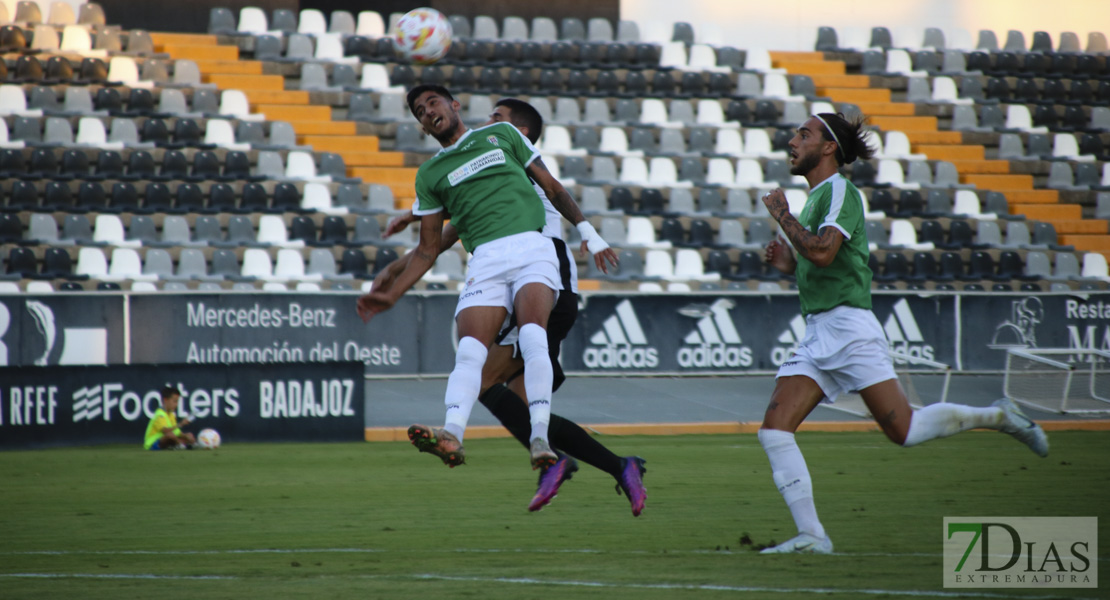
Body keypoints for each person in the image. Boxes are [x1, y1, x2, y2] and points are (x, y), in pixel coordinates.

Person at [757, 112, 1048, 554]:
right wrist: (786, 263)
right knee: (775, 430)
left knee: (905, 431)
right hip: (820, 331)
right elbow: (816, 261)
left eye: (804, 134)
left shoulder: (840, 192)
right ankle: (813, 537)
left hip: (849, 329)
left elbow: (822, 252)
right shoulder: (817, 198)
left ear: (829, 147)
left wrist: (782, 216)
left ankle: (999, 416)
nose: (793, 140)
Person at [376, 97, 646, 515]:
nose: (488, 124)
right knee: (511, 397)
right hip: (527, 276)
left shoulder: (512, 158)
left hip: (543, 278)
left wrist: (410, 226)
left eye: (497, 119)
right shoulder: (492, 161)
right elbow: (461, 216)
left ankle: (554, 457)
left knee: (488, 382)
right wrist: (406, 244)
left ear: (519, 131)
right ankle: (605, 464)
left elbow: (468, 207)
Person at [143, 386, 194, 450]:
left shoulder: (171, 415)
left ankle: (184, 444)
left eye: (177, 402)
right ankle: (181, 445)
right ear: (165, 400)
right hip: (152, 444)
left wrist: (185, 436)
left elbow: (176, 432)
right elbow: (165, 431)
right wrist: (181, 424)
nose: (176, 405)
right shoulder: (159, 414)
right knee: (170, 435)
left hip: (165, 441)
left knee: (187, 435)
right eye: (175, 401)